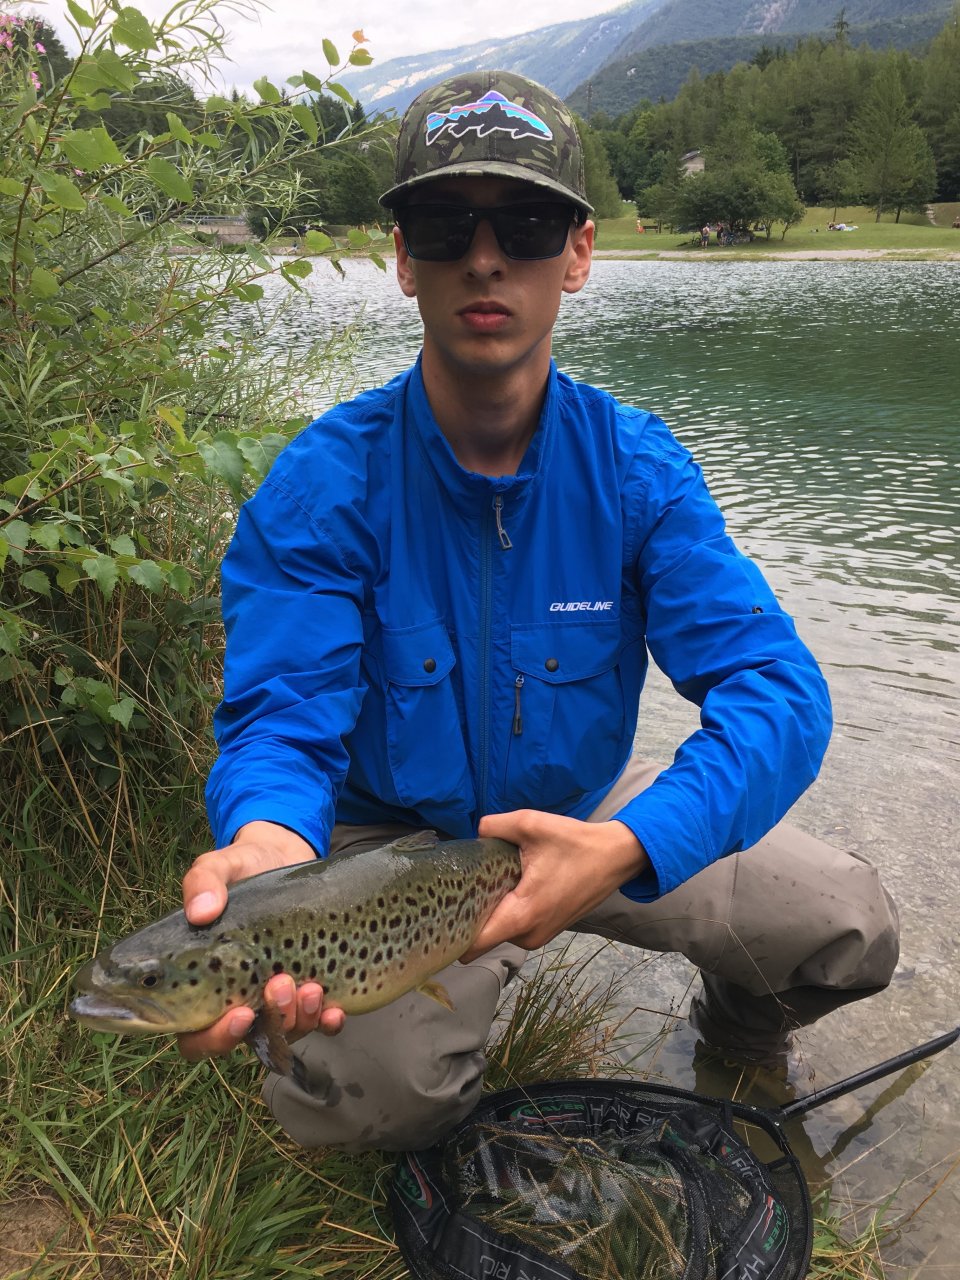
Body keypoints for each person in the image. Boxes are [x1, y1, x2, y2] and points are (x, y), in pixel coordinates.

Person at [178, 71, 900, 1152]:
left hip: (588, 816)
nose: (484, 256)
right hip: (388, 851)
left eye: (523, 222)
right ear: (402, 254)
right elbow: (284, 714)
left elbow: (778, 693)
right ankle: (418, 1055)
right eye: (442, 222)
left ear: (578, 252)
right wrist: (274, 849)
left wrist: (628, 843)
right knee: (374, 1116)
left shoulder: (639, 471)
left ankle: (739, 1023)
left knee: (848, 924)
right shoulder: (322, 486)